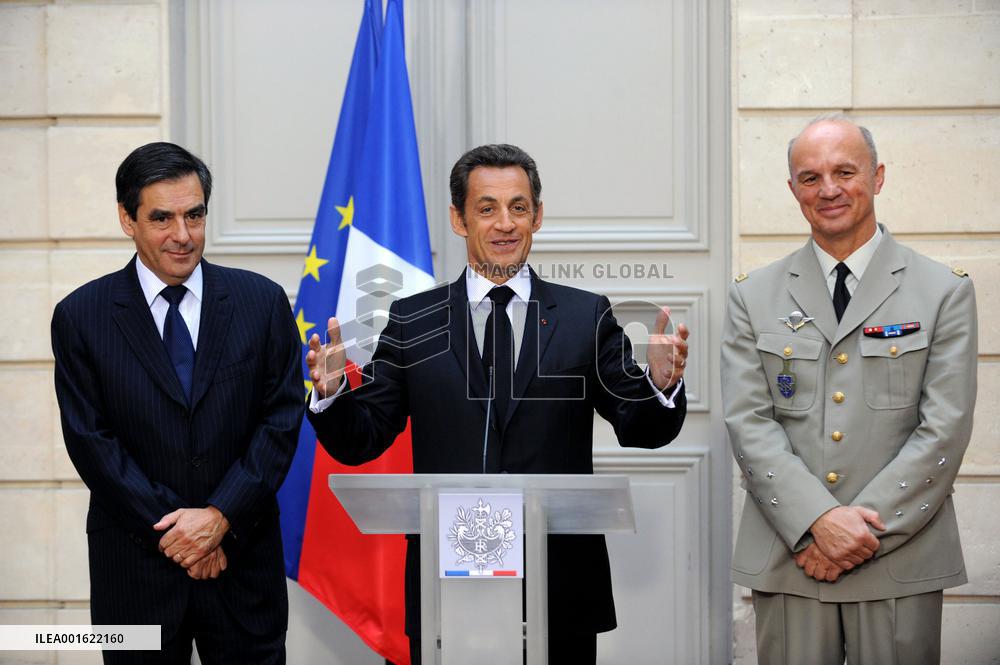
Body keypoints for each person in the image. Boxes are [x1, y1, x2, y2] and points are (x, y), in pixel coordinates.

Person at [306, 144, 690, 664]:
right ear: (459, 220)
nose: (505, 223)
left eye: (518, 206)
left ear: (538, 215)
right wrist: (332, 395)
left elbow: (640, 426)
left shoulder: (585, 316)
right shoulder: (414, 320)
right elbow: (363, 438)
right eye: (487, 208)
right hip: (450, 582)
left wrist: (660, 384)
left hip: (561, 586)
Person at [721, 116, 977, 665]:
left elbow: (945, 429)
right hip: (793, 554)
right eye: (810, 178)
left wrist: (856, 533)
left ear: (878, 176)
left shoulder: (943, 290)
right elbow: (749, 422)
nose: (829, 189)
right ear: (792, 190)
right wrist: (817, 522)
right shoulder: (753, 295)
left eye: (844, 171)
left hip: (898, 556)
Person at [51, 142, 303, 663]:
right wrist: (181, 533)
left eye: (195, 215)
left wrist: (220, 517)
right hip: (136, 572)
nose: (183, 235)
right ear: (127, 218)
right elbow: (92, 443)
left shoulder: (262, 302)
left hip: (243, 565)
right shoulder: (81, 315)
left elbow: (279, 421)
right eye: (162, 218)